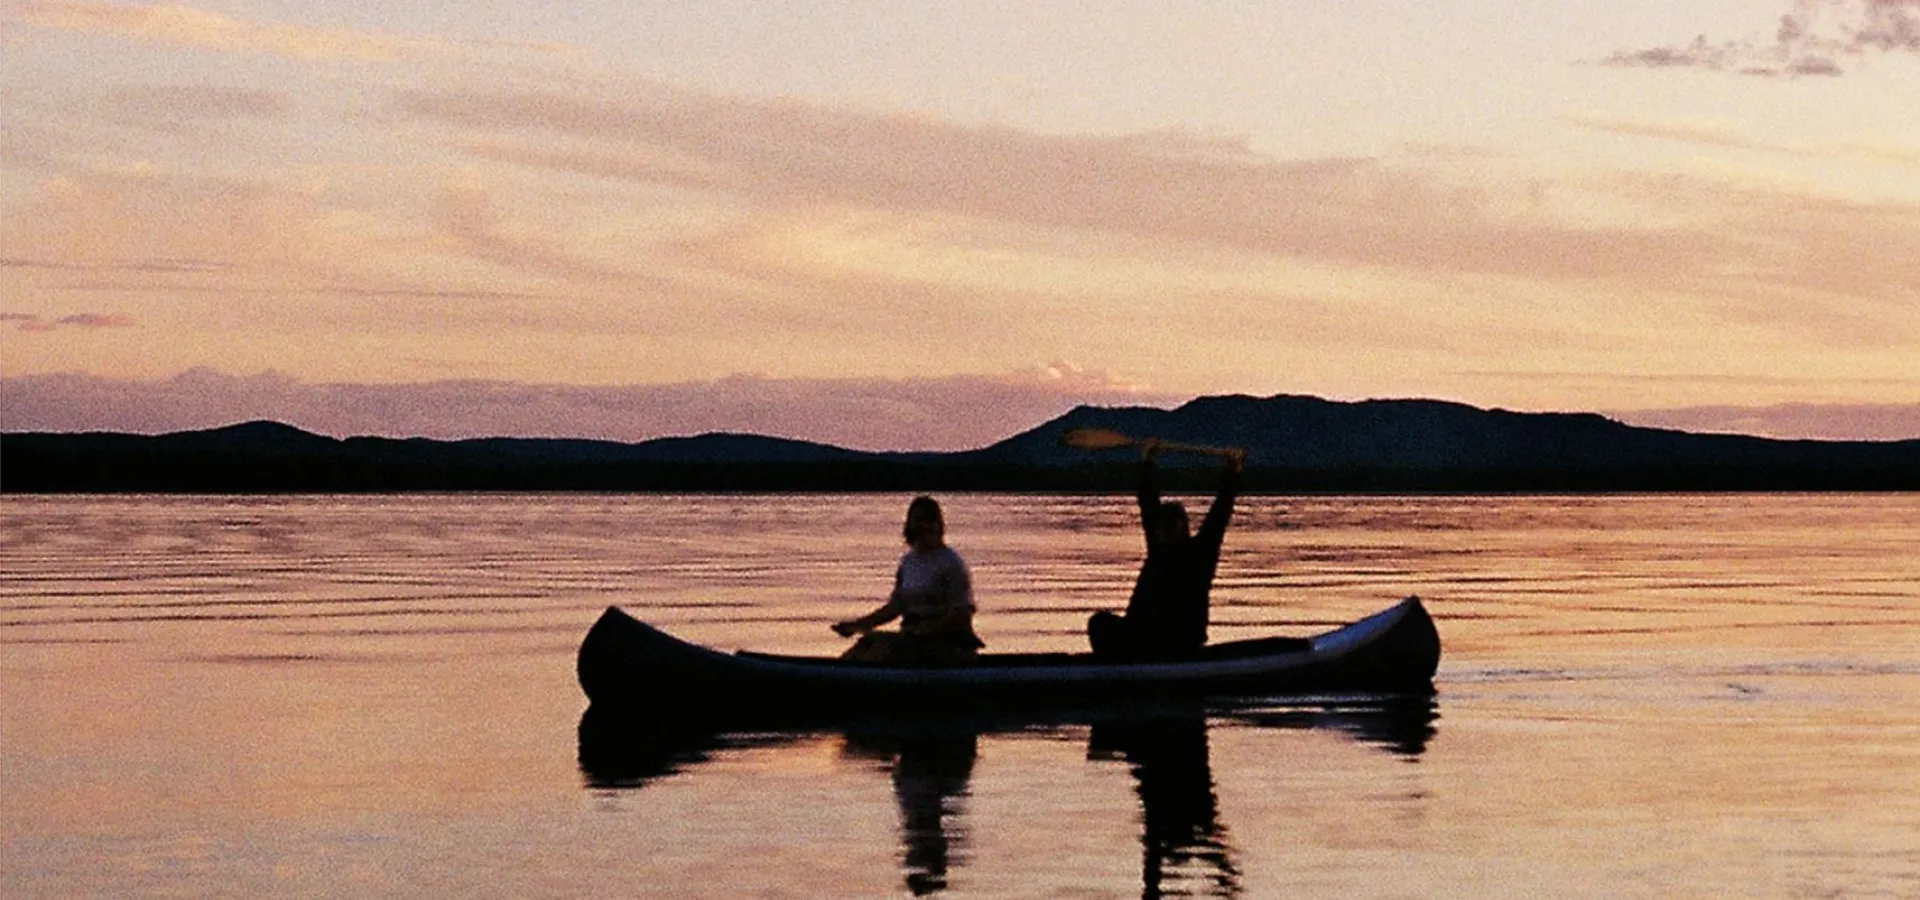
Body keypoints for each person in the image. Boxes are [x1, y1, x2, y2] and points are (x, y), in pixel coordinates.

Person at [1088, 440, 1243, 660]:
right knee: (1099, 622)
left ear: (1182, 527)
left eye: (1171, 525)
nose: (1165, 530)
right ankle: (1117, 666)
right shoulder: (1158, 547)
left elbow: (1220, 514)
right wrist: (1147, 461)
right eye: (1162, 525)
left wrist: (1232, 471)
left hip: (1178, 642)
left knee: (1103, 625)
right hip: (1143, 636)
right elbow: (1147, 502)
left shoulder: (1200, 554)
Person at [833, 496, 984, 664]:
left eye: (929, 521)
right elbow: (896, 606)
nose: (924, 526)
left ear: (939, 525)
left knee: (883, 649)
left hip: (947, 645)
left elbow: (961, 615)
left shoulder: (951, 563)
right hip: (912, 640)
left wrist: (924, 630)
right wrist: (858, 625)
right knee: (865, 644)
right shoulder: (908, 562)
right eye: (919, 521)